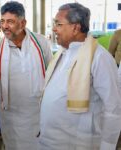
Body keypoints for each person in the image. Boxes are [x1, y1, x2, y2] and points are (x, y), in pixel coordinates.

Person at [39, 3, 121, 150]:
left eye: (58, 24)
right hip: (50, 141)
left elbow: (113, 107)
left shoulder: (99, 58)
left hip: (78, 143)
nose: (54, 29)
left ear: (75, 27)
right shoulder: (62, 53)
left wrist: (107, 146)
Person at [0, 1, 53, 150]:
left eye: (10, 21)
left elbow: (51, 75)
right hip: (11, 115)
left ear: (23, 23)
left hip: (38, 113)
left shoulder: (41, 43)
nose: (5, 26)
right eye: (3, 21)